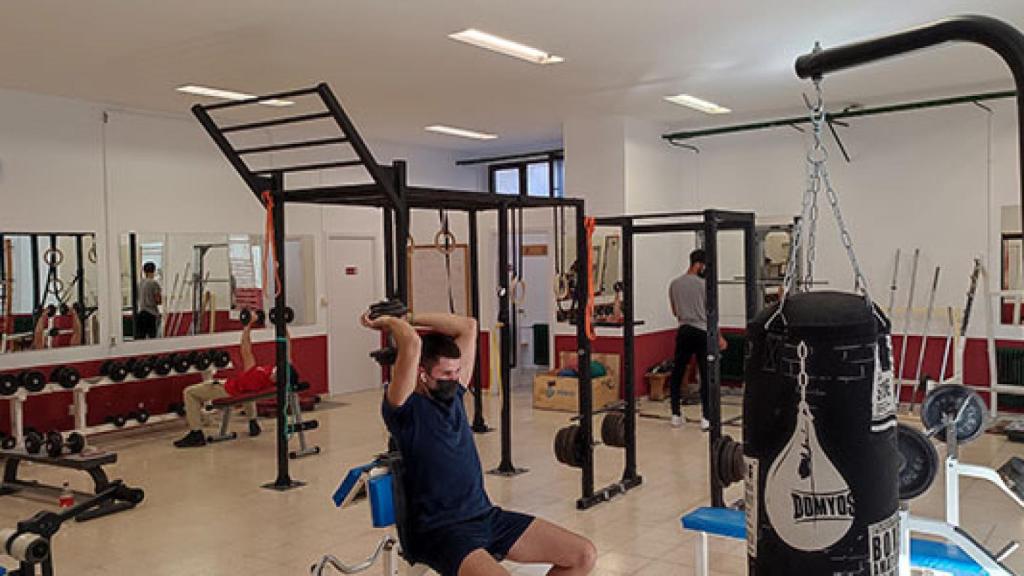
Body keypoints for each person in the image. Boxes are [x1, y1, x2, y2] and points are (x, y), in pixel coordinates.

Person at [362, 309, 597, 576]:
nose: (455, 380)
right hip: (441, 531)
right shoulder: (403, 410)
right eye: (446, 374)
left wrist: (412, 315)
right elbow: (412, 344)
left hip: (485, 516)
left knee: (582, 555)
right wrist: (391, 322)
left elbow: (468, 326)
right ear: (422, 374)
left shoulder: (454, 397)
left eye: (457, 372)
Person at [173, 323, 295, 448]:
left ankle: (196, 434)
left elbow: (245, 349)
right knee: (248, 392)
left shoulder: (258, 375)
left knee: (189, 392)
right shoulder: (280, 374)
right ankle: (253, 422)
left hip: (227, 389)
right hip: (242, 389)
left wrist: (247, 326)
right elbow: (288, 346)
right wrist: (282, 325)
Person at [667, 249, 726, 431]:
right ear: (699, 265)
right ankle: (706, 418)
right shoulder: (704, 285)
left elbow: (675, 312)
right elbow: (711, 315)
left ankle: (675, 414)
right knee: (705, 374)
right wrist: (719, 337)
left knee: (677, 373)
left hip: (684, 330)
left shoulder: (674, 284)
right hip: (702, 332)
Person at [136, 262, 162, 339]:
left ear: (144, 271)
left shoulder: (140, 283)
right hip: (151, 314)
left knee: (141, 339)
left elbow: (138, 297)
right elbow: (158, 300)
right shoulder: (154, 283)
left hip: (141, 314)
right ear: (154, 271)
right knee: (152, 340)